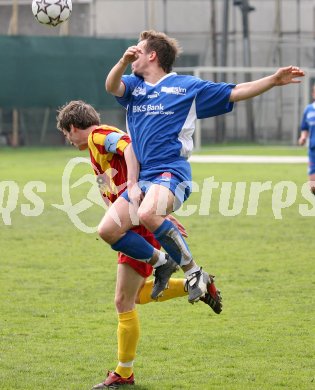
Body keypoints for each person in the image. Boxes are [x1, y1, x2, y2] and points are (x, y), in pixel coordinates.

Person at [102, 30, 305, 306]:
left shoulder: (187, 88)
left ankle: (194, 271)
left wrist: (273, 80)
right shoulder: (133, 86)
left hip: (172, 172)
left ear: (152, 55)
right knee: (107, 230)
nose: (133, 54)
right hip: (146, 177)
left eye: (138, 50)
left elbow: (235, 92)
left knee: (149, 212)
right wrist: (123, 61)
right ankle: (162, 262)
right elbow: (111, 86)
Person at [56, 100, 222, 389]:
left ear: (73, 127)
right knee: (136, 297)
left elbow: (131, 147)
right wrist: (159, 211)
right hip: (133, 225)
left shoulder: (99, 135)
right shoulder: (95, 154)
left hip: (136, 227)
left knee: (124, 300)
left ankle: (124, 373)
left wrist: (136, 191)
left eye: (67, 134)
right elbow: (115, 192)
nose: (68, 140)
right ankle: (194, 283)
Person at [298, 83, 315, 194]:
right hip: (313, 151)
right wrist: (303, 137)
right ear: (313, 94)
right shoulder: (308, 110)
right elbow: (305, 128)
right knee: (312, 186)